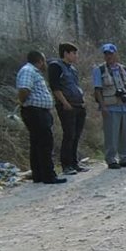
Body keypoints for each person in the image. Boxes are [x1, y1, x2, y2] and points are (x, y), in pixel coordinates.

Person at [16, 50, 65, 184]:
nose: (45, 64)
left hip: (38, 111)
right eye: (44, 61)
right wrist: (24, 103)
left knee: (37, 143)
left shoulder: (34, 72)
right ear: (39, 60)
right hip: (35, 112)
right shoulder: (28, 71)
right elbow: (24, 89)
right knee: (45, 144)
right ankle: (48, 175)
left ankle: (38, 175)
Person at [92, 42, 126, 169]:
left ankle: (125, 158)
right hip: (110, 107)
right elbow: (97, 90)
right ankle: (111, 159)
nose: (108, 56)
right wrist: (103, 107)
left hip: (125, 106)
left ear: (115, 54)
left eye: (111, 54)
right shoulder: (99, 70)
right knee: (111, 135)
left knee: (125, 134)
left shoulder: (123, 69)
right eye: (106, 54)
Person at [47, 42, 88, 174]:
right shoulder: (56, 66)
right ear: (66, 53)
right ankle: (66, 165)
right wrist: (64, 102)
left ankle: (74, 163)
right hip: (67, 106)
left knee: (76, 135)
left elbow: (76, 86)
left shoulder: (72, 69)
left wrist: (82, 101)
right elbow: (55, 87)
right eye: (74, 53)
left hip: (78, 105)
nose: (76, 56)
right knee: (69, 135)